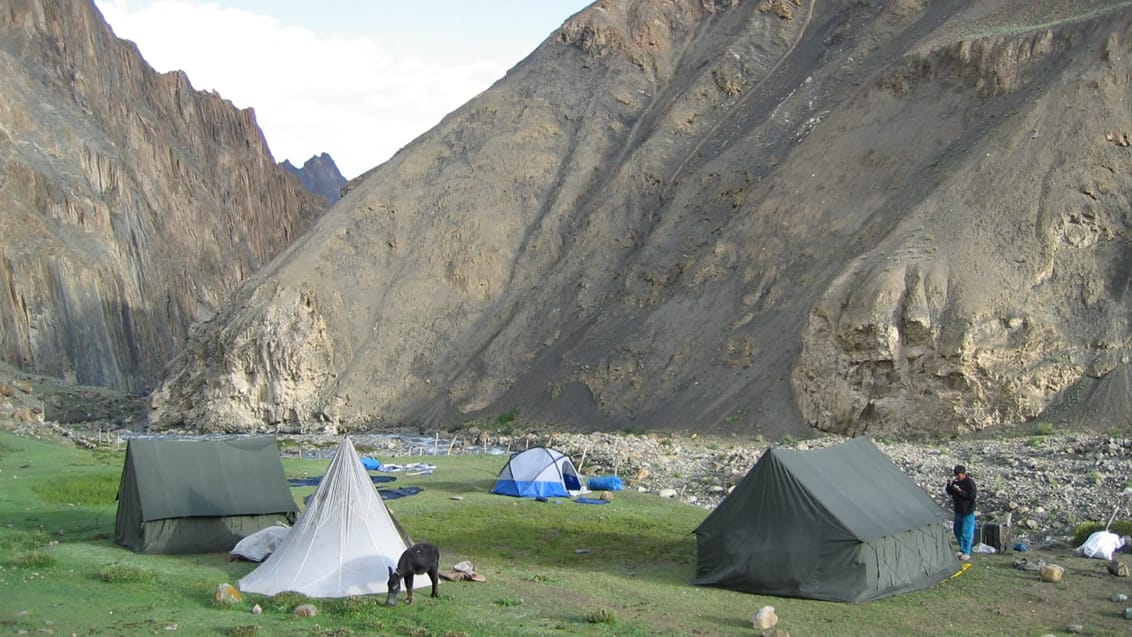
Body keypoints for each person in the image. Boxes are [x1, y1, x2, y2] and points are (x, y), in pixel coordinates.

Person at [946, 464, 977, 560]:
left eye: (958, 475)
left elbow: (972, 495)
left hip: (967, 511)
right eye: (956, 475)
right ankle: (962, 549)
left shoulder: (969, 483)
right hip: (958, 510)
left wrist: (960, 491)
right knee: (957, 531)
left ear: (963, 474)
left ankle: (967, 552)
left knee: (966, 532)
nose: (957, 477)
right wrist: (949, 485)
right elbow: (949, 492)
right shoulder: (956, 481)